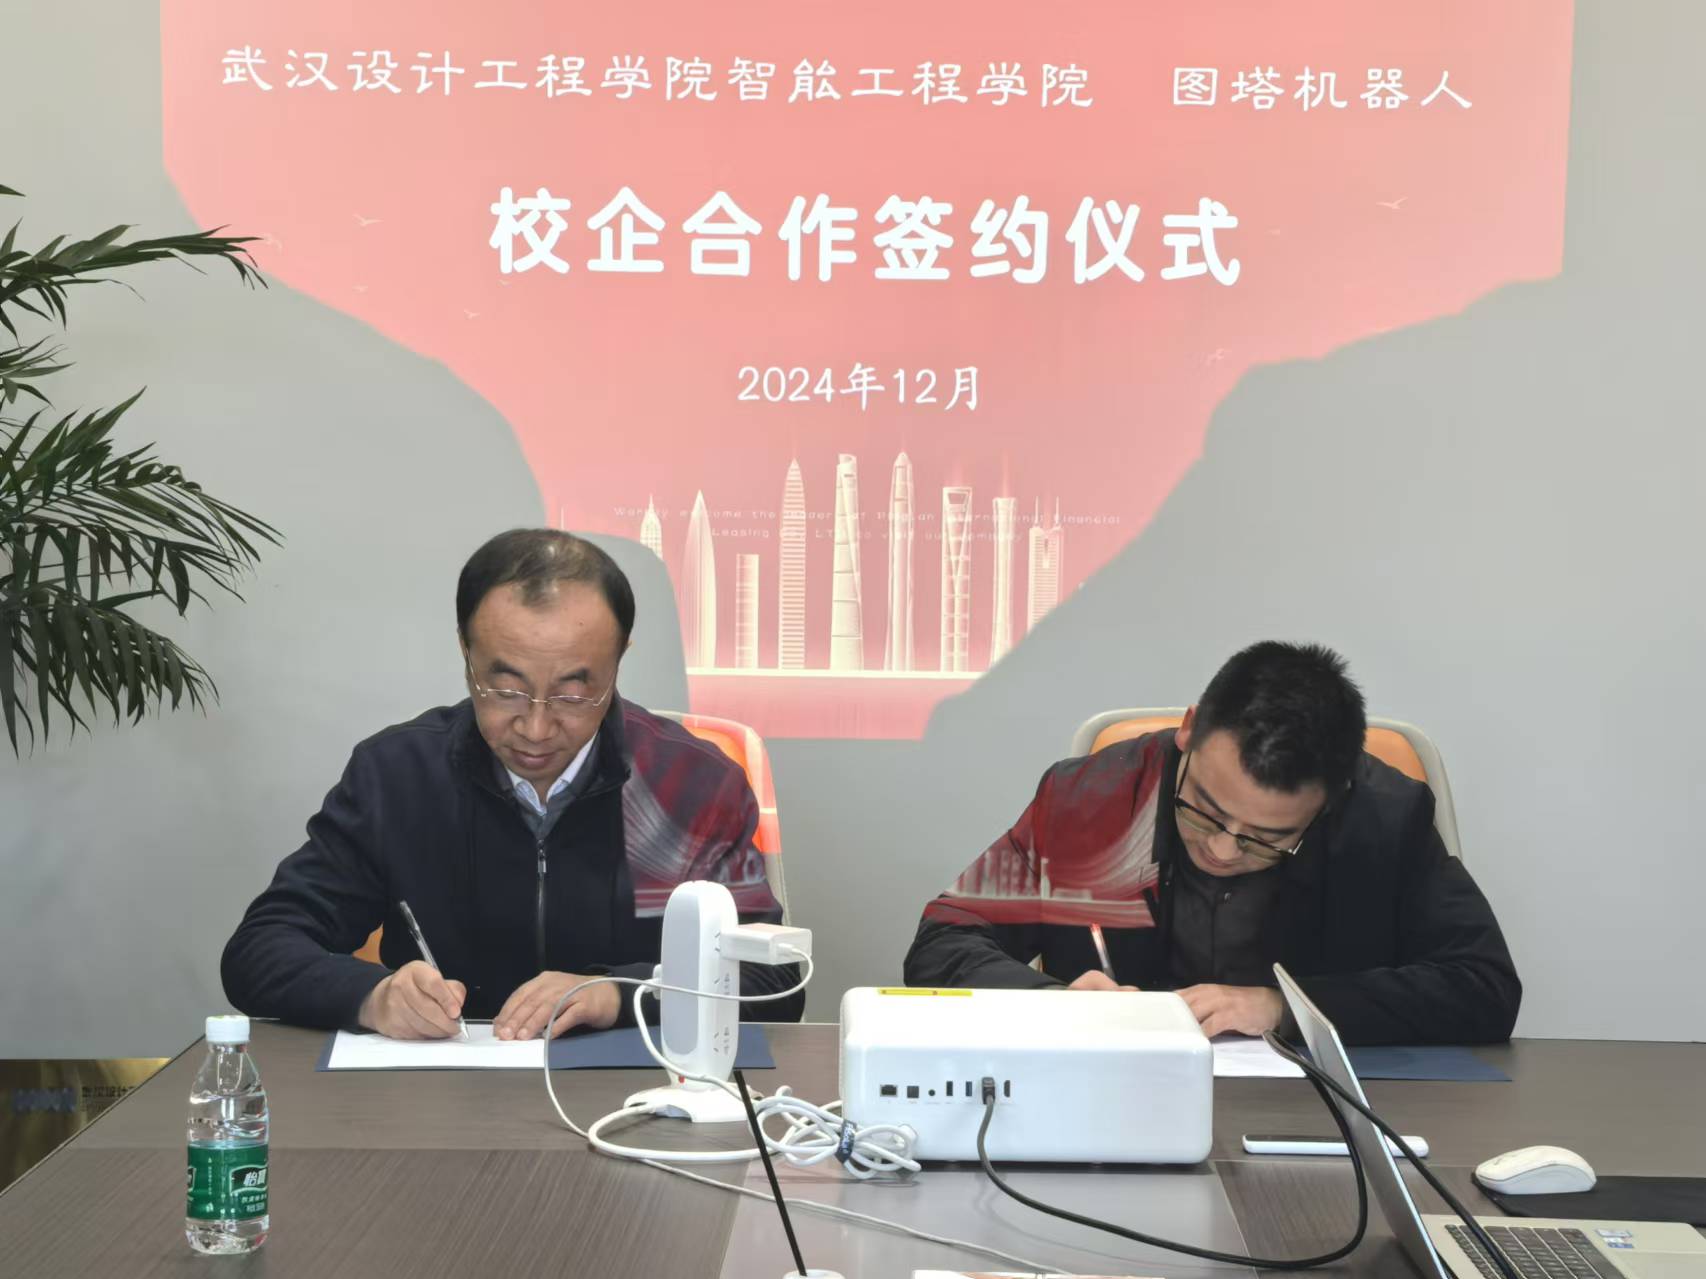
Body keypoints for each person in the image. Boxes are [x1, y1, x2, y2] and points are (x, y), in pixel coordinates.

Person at [222, 529, 802, 1040]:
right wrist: (371, 997)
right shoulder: (397, 775)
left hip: (635, 1097)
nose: (536, 727)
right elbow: (261, 948)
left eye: (574, 694)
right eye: (506, 690)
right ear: (466, 651)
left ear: (618, 661)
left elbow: (775, 980)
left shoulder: (693, 783)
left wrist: (619, 995)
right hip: (440, 1100)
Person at [902, 642, 1520, 1045]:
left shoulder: (1385, 818)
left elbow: (1483, 987)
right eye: (1204, 812)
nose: (1223, 851)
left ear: (1334, 798)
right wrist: (1054, 1001)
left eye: (1268, 839)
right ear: (1190, 729)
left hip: (1311, 1120)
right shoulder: (1088, 799)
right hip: (1114, 1102)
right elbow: (944, 942)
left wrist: (1287, 1007)